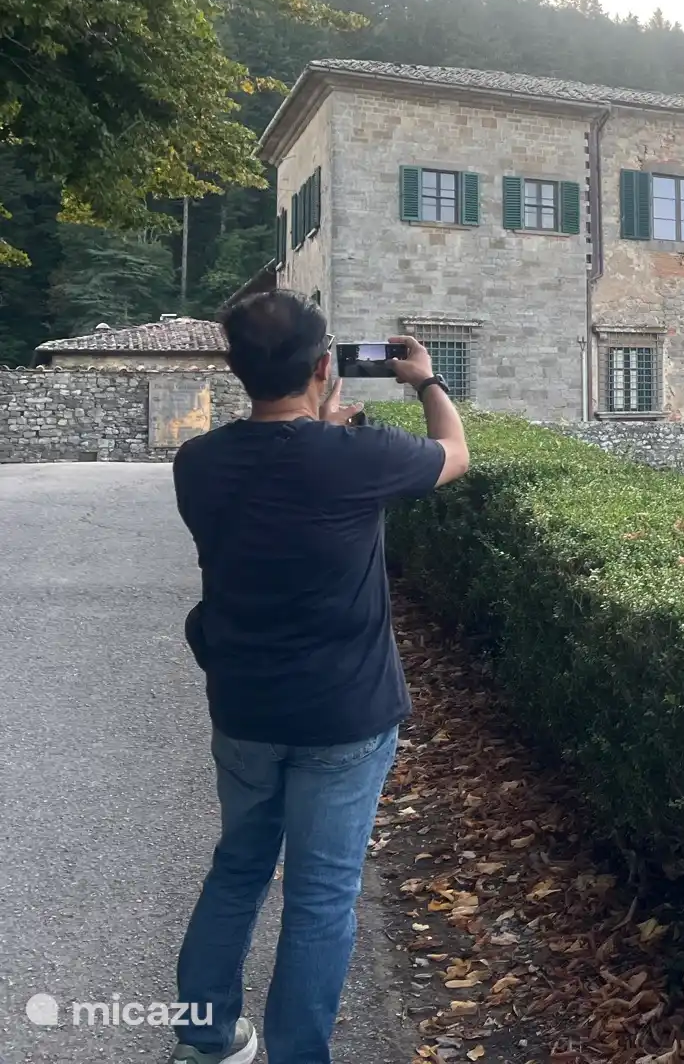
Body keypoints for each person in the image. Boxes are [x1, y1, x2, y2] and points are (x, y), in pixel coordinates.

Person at [168, 290, 469, 1064]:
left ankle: (204, 1040)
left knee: (238, 866)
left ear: (237, 370)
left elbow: (274, 481)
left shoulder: (197, 463)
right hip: (344, 714)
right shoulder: (357, 460)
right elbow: (454, 455)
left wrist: (316, 428)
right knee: (321, 894)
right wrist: (427, 382)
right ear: (326, 366)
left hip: (244, 708)